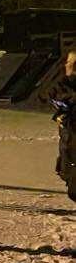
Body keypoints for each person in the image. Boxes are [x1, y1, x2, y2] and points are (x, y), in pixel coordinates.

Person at [49, 51, 76, 202]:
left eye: (71, 63)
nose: (67, 65)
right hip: (69, 140)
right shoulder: (63, 83)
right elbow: (53, 96)